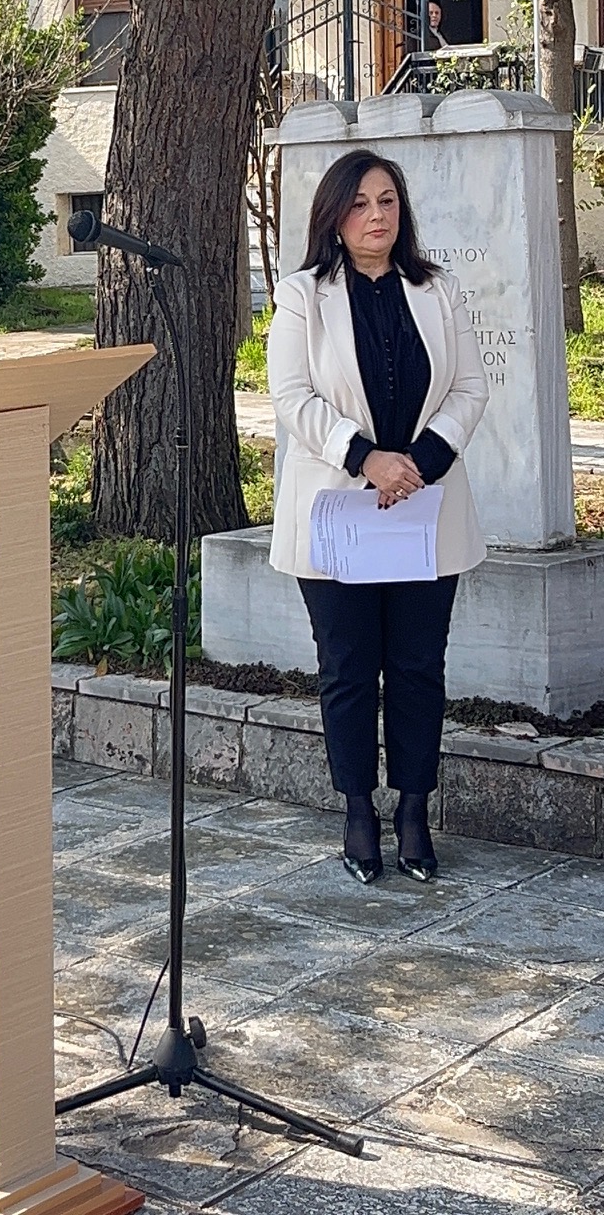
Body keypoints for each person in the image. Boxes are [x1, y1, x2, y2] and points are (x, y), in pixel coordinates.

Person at [267, 151, 488, 885]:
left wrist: (417, 462)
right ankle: (358, 810)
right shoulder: (303, 296)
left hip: (423, 508)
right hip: (340, 511)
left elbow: (469, 388)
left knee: (419, 668)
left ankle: (414, 810)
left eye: (387, 200)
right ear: (334, 216)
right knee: (349, 669)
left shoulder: (436, 289)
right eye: (360, 203)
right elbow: (292, 397)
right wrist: (366, 458)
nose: (376, 216)